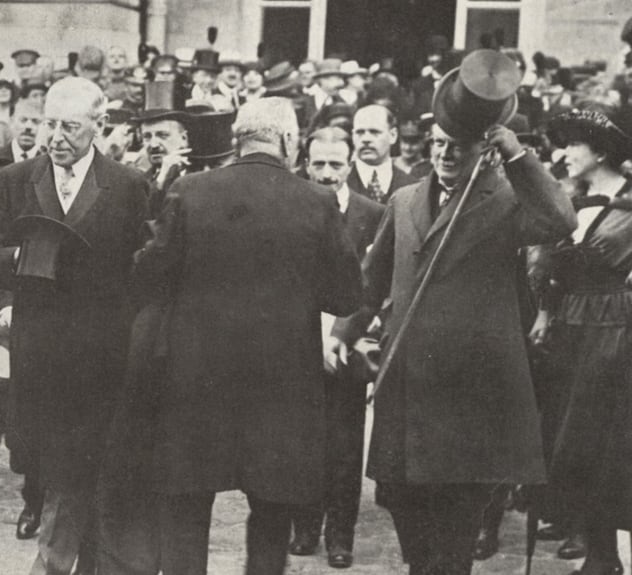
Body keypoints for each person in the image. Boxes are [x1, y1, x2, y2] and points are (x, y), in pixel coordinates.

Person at [328, 50, 577, 575]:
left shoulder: (506, 200)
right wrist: (343, 332)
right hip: (406, 386)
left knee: (455, 532)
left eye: (457, 147)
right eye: (438, 143)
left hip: (469, 396)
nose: (444, 154)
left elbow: (560, 220)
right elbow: (371, 281)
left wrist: (517, 156)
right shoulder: (404, 201)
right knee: (408, 519)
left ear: (482, 151)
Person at [129, 97, 361, 575]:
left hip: (196, 381)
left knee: (187, 507)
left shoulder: (190, 191)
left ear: (238, 138)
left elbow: (149, 275)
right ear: (289, 141)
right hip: (281, 388)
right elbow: (346, 296)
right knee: (272, 514)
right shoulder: (317, 201)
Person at [0, 76, 149, 575]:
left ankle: (60, 564)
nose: (55, 137)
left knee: (91, 472)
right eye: (49, 124)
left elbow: (145, 270)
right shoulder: (13, 180)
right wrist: (26, 257)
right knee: (56, 471)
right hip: (40, 357)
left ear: (100, 125)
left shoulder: (129, 185)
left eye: (70, 127)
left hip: (104, 360)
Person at [532, 108, 632, 575]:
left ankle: (604, 555)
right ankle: (599, 550)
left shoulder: (629, 203)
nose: (564, 153)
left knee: (609, 440)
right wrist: (546, 310)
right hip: (573, 326)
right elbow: (553, 269)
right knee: (575, 440)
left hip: (617, 329)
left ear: (602, 152)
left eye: (573, 144)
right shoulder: (569, 202)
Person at [289, 126, 385, 569]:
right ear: (306, 164)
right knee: (302, 440)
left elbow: (376, 284)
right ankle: (305, 526)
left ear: (350, 165)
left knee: (345, 445)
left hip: (349, 343)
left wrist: (343, 336)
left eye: (336, 164)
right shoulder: (291, 207)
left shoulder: (373, 214)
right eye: (319, 164)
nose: (327, 174)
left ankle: (340, 534)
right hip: (299, 342)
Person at [348, 105, 417, 204]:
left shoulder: (412, 186)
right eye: (360, 132)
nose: (366, 139)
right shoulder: (339, 183)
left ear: (393, 135)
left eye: (374, 132)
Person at [0, 97, 43, 172]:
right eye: (23, 120)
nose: (28, 126)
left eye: (36, 121)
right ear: (11, 122)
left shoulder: (48, 162)